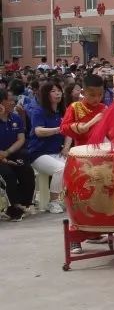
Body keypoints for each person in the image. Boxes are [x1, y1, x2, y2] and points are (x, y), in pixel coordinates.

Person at [27, 82, 71, 215]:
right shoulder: (38, 111)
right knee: (60, 169)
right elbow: (39, 131)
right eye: (53, 91)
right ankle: (53, 201)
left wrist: (66, 148)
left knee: (74, 167)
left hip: (57, 152)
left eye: (59, 90)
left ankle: (69, 199)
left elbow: (69, 131)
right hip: (38, 154)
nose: (58, 93)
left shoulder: (64, 111)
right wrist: (58, 129)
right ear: (46, 95)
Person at [0, 90, 35, 221]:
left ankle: (24, 203)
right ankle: (13, 207)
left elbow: (21, 139)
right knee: (8, 175)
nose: (13, 102)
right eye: (10, 100)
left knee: (27, 170)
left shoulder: (15, 118)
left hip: (11, 153)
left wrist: (7, 153)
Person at [60, 74, 106, 146]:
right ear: (83, 93)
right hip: (81, 149)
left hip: (102, 148)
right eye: (92, 95)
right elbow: (63, 128)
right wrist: (76, 126)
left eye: (100, 94)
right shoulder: (75, 107)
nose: (97, 99)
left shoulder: (104, 108)